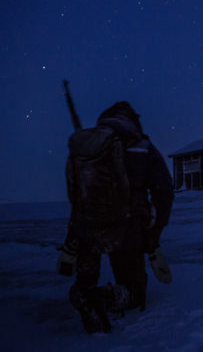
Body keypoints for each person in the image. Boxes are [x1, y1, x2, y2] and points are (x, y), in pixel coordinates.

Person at [63, 101, 174, 333]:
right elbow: (163, 189)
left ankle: (84, 295)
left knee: (85, 280)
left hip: (86, 226)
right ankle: (105, 298)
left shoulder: (86, 147)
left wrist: (73, 236)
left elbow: (74, 193)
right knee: (134, 291)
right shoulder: (141, 146)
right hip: (127, 228)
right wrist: (156, 229)